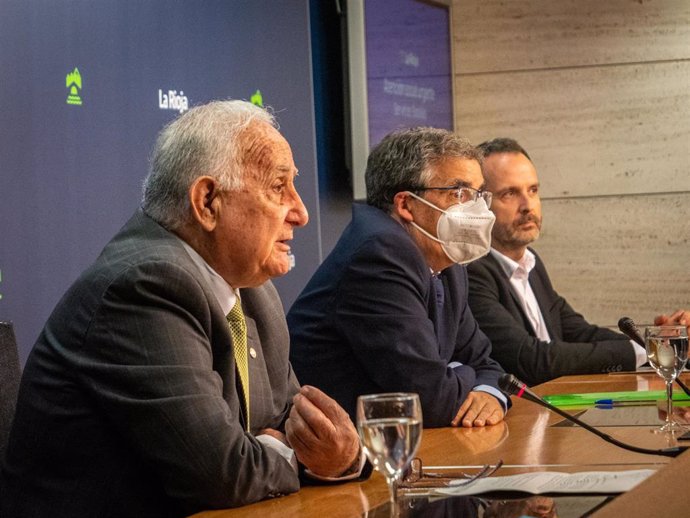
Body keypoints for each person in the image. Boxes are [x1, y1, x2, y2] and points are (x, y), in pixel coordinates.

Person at [0, 100, 362, 517]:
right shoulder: (145, 285)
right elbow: (225, 474)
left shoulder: (252, 290)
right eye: (278, 188)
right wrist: (297, 455)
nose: (300, 213)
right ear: (207, 201)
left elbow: (300, 429)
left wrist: (343, 457)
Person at [287, 127, 508, 429]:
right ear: (405, 204)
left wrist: (487, 391)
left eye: (480, 194)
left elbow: (488, 364)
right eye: (460, 193)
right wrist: (464, 373)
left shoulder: (447, 260)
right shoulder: (379, 254)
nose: (477, 208)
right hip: (344, 458)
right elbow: (430, 400)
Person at [467, 137, 690, 386]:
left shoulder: (531, 262)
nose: (528, 205)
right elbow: (532, 361)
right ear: (479, 204)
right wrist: (649, 351)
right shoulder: (471, 273)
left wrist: (663, 344)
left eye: (533, 190)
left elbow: (579, 333)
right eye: (510, 193)